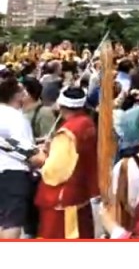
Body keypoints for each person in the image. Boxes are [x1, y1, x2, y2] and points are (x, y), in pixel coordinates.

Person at [34, 87, 99, 239]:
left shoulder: (68, 132)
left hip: (63, 196)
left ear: (61, 106)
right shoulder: (87, 122)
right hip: (80, 191)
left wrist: (41, 157)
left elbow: (54, 171)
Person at [0, 75, 46, 238]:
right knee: (11, 224)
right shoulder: (16, 118)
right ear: (17, 95)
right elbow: (22, 149)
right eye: (22, 90)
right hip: (12, 175)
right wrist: (39, 155)